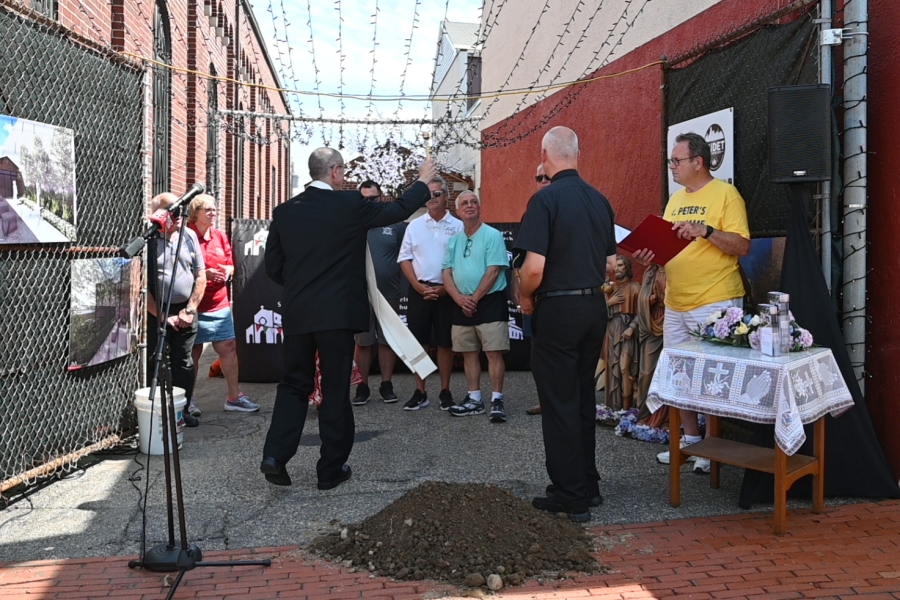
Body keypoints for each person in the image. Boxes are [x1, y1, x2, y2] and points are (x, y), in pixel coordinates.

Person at [260, 149, 435, 488]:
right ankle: (330, 470)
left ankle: (275, 456)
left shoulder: (284, 212)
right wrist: (423, 182)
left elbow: (273, 267)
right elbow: (397, 210)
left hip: (298, 311)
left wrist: (302, 287)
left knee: (294, 384)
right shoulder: (350, 205)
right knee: (336, 389)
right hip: (337, 314)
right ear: (336, 172)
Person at [632, 132, 750, 474]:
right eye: (671, 160)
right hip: (676, 301)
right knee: (680, 373)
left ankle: (710, 449)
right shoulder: (674, 200)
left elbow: (742, 246)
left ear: (698, 162)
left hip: (714, 299)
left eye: (676, 161)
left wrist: (707, 231)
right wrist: (650, 256)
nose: (672, 166)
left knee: (712, 377)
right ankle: (690, 440)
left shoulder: (726, 194)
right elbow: (668, 246)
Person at [515, 126, 616, 522]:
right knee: (581, 399)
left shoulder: (545, 201)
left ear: (545, 153)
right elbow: (609, 265)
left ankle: (570, 495)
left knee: (558, 404)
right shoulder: (600, 201)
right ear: (577, 153)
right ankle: (587, 485)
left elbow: (534, 269)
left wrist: (524, 298)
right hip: (593, 307)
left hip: (557, 310)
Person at [186, 194, 259, 414]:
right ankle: (188, 400)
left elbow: (231, 264)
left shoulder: (219, 236)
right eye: (208, 209)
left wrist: (227, 271)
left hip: (219, 304)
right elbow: (178, 271)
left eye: (215, 209)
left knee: (228, 347)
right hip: (194, 305)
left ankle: (234, 397)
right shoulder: (186, 236)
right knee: (193, 352)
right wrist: (202, 275)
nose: (213, 213)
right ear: (195, 211)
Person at [441, 192, 510, 422]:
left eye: (474, 202)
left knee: (493, 352)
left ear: (479, 208)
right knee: (469, 353)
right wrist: (460, 299)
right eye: (464, 204)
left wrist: (474, 298)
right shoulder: (453, 241)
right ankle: (475, 399)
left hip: (489, 301)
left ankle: (497, 400)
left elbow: (494, 270)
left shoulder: (493, 235)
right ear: (458, 212)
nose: (469, 206)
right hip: (461, 304)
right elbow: (446, 272)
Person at [397, 176, 463, 411]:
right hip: (420, 291)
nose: (432, 199)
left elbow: (462, 262)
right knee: (419, 343)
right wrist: (416, 286)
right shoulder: (414, 225)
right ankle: (420, 391)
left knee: (445, 343)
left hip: (448, 292)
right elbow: (404, 258)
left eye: (437, 194)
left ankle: (445, 391)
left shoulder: (458, 226)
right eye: (428, 194)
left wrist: (447, 289)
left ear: (446, 197)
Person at [146, 192, 206, 428]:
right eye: (172, 210)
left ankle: (182, 410)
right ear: (159, 214)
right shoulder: (149, 240)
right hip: (157, 311)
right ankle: (157, 412)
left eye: (181, 209)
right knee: (157, 359)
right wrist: (161, 316)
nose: (179, 214)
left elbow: (200, 275)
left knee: (184, 362)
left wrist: (190, 309)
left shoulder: (189, 235)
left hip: (185, 311)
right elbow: (139, 284)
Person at [352, 180, 406, 405]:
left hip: (389, 292)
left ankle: (386, 385)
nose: (369, 202)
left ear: (381, 198)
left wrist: (404, 289)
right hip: (360, 293)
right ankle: (362, 387)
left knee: (387, 341)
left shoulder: (396, 224)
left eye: (372, 198)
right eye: (364, 199)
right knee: (363, 342)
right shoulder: (352, 223)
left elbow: (407, 258)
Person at [521, 164, 552, 416]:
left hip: (556, 296)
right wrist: (520, 292)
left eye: (547, 177)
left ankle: (561, 403)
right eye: (538, 177)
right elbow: (520, 260)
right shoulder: (532, 211)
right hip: (533, 296)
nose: (542, 180)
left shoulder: (564, 209)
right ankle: (545, 400)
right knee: (537, 355)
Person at [603, 255, 641, 410]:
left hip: (627, 330)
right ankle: (614, 407)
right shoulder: (610, 289)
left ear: (627, 268)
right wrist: (608, 303)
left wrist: (632, 327)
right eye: (615, 266)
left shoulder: (636, 288)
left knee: (625, 368)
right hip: (612, 329)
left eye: (620, 265)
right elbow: (599, 311)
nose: (617, 269)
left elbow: (642, 312)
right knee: (612, 368)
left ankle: (627, 408)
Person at [635, 263, 666, 410]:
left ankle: (666, 419)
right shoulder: (651, 271)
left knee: (668, 371)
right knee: (647, 371)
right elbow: (642, 298)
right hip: (651, 321)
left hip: (671, 318)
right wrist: (650, 299)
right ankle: (645, 413)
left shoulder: (676, 269)